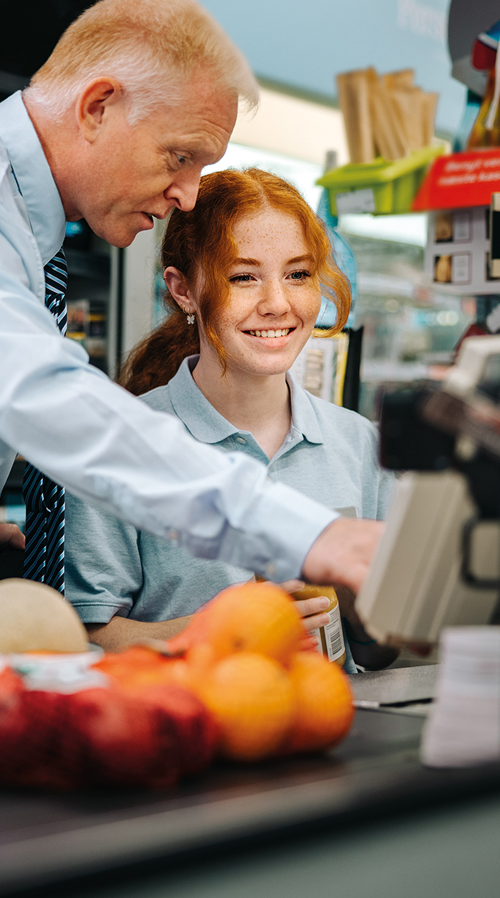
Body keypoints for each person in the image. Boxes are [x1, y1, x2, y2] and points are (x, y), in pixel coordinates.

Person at [0, 0, 383, 599]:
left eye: (299, 274)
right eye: (181, 158)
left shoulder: (29, 231)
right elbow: (47, 400)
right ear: (98, 107)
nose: (187, 195)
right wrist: (307, 537)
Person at [66, 169, 397, 669]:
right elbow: (84, 641)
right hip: (186, 716)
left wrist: (359, 606)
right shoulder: (118, 443)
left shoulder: (360, 443)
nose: (278, 304)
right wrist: (221, 626)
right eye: (243, 277)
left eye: (298, 274)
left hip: (329, 715)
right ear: (183, 290)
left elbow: (379, 655)